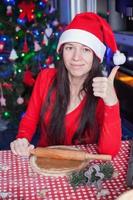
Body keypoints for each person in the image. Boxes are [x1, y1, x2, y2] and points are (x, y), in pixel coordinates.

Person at [10, 12, 126, 157]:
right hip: (46, 163)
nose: (76, 57)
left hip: (83, 170)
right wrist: (22, 139)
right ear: (62, 51)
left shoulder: (102, 90)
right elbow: (30, 119)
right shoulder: (45, 78)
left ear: (96, 56)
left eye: (86, 50)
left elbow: (108, 152)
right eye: (70, 48)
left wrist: (112, 103)